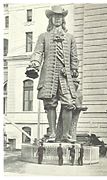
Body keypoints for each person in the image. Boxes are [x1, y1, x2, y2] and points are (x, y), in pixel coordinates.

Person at [25, 5, 79, 143]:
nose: (57, 19)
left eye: (60, 16)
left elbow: (74, 57)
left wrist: (74, 70)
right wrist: (35, 64)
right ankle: (53, 134)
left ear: (63, 19)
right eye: (54, 16)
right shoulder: (43, 37)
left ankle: (66, 135)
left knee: (68, 103)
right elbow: (37, 52)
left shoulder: (70, 38)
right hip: (49, 74)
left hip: (65, 76)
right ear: (50, 19)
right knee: (50, 104)